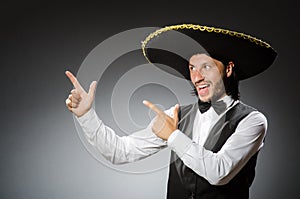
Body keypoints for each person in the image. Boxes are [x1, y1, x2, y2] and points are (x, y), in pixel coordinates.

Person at [65, 24, 277, 199]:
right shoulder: (176, 116)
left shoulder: (253, 121)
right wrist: (86, 116)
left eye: (206, 67)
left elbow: (219, 173)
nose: (197, 77)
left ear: (228, 69)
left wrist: (173, 136)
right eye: (192, 68)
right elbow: (119, 152)